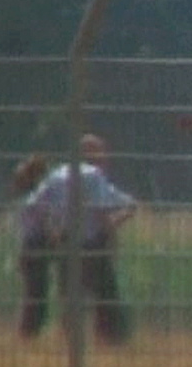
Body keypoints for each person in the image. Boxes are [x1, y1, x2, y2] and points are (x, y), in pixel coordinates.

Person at [19, 133, 137, 344]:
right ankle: (111, 339)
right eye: (101, 154)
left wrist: (53, 231)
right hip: (90, 245)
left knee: (68, 296)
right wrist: (113, 235)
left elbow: (34, 205)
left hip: (65, 244)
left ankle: (69, 341)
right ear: (93, 156)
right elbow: (102, 212)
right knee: (106, 295)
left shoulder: (57, 175)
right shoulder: (93, 175)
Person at [11, 153, 54, 340]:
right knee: (37, 292)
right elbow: (45, 223)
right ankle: (30, 331)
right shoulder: (38, 197)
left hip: (27, 246)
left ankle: (28, 330)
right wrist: (55, 238)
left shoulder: (24, 198)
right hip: (36, 245)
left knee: (32, 291)